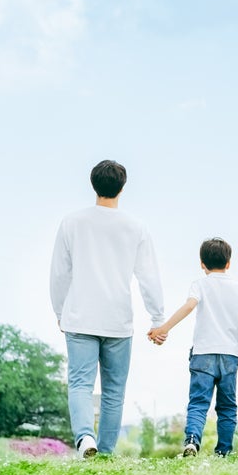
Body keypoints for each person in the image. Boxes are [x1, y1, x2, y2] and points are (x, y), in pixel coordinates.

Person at [48, 159, 164, 459]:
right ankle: (108, 452)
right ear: (122, 188)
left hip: (80, 316)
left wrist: (60, 311)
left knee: (80, 384)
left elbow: (60, 273)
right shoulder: (135, 227)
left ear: (92, 184)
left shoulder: (72, 222)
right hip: (117, 320)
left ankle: (85, 437)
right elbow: (149, 276)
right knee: (114, 391)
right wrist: (157, 317)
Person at [148, 238, 238, 457]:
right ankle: (223, 451)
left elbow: (189, 307)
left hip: (203, 353)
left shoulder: (199, 284)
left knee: (198, 402)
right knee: (227, 407)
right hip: (229, 355)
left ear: (202, 263)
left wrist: (164, 327)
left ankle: (193, 440)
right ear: (229, 263)